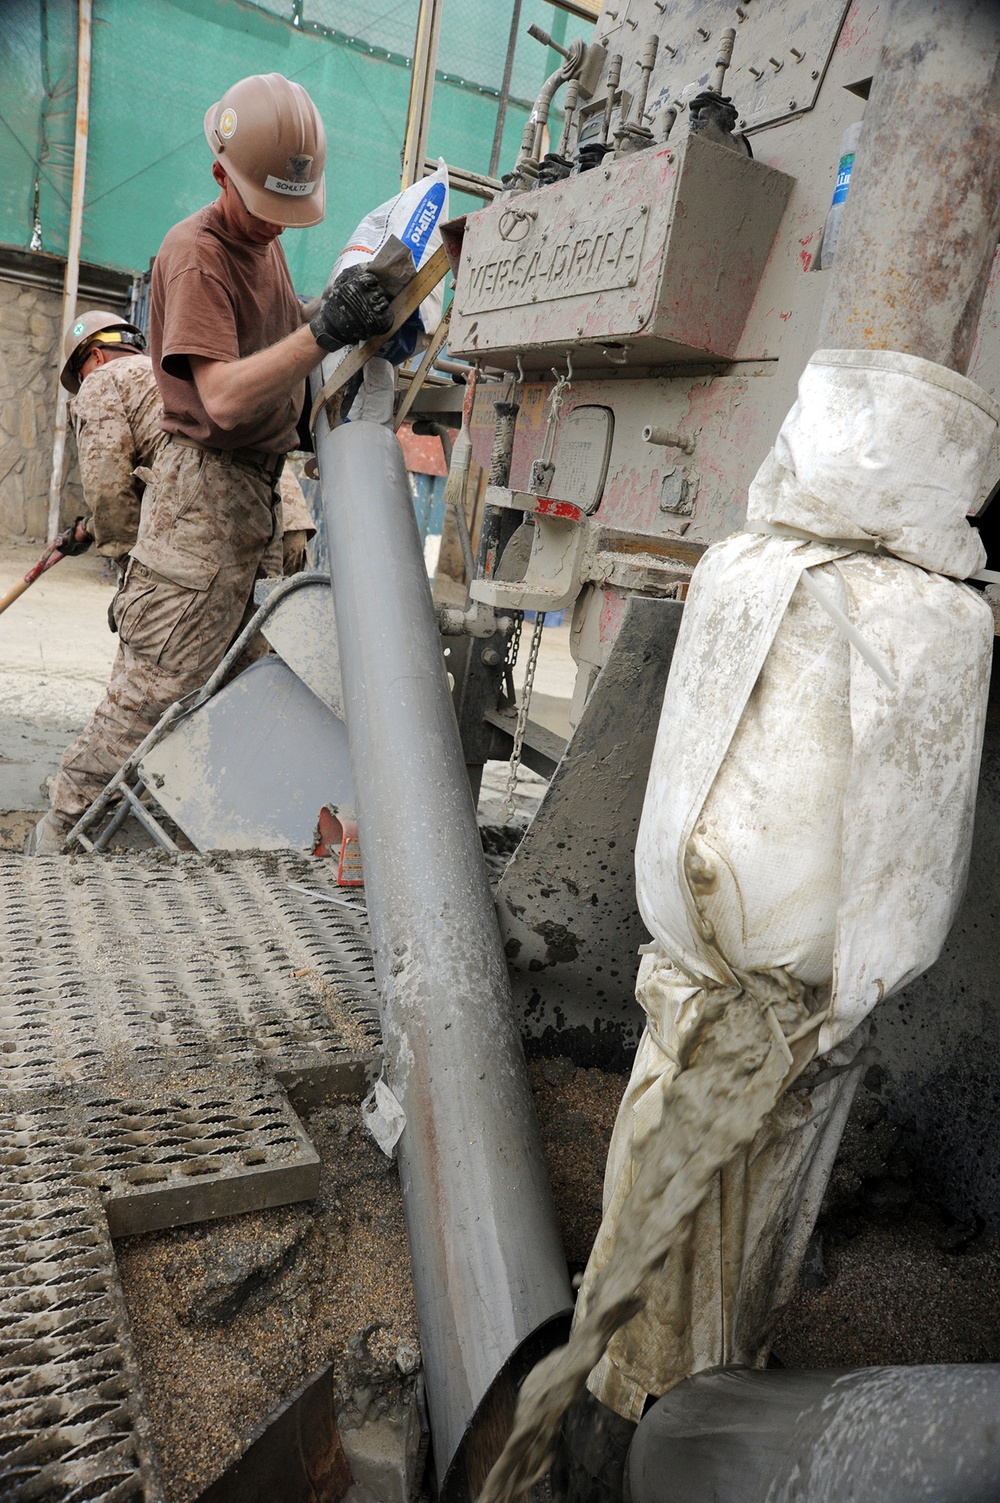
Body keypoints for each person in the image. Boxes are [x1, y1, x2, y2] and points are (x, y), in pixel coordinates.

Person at [31, 71, 392, 853]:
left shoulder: (261, 247)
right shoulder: (196, 253)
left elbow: (275, 333)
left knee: (239, 693)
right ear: (220, 173)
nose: (276, 229)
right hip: (200, 507)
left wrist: (339, 308)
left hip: (254, 505)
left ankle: (171, 843)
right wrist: (322, 332)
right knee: (146, 702)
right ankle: (49, 862)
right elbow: (223, 396)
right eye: (267, 209)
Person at [58, 311, 164, 570]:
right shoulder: (162, 374)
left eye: (81, 377)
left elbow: (109, 487)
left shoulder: (103, 379)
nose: (85, 384)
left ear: (96, 356)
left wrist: (127, 561)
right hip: (267, 511)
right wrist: (87, 528)